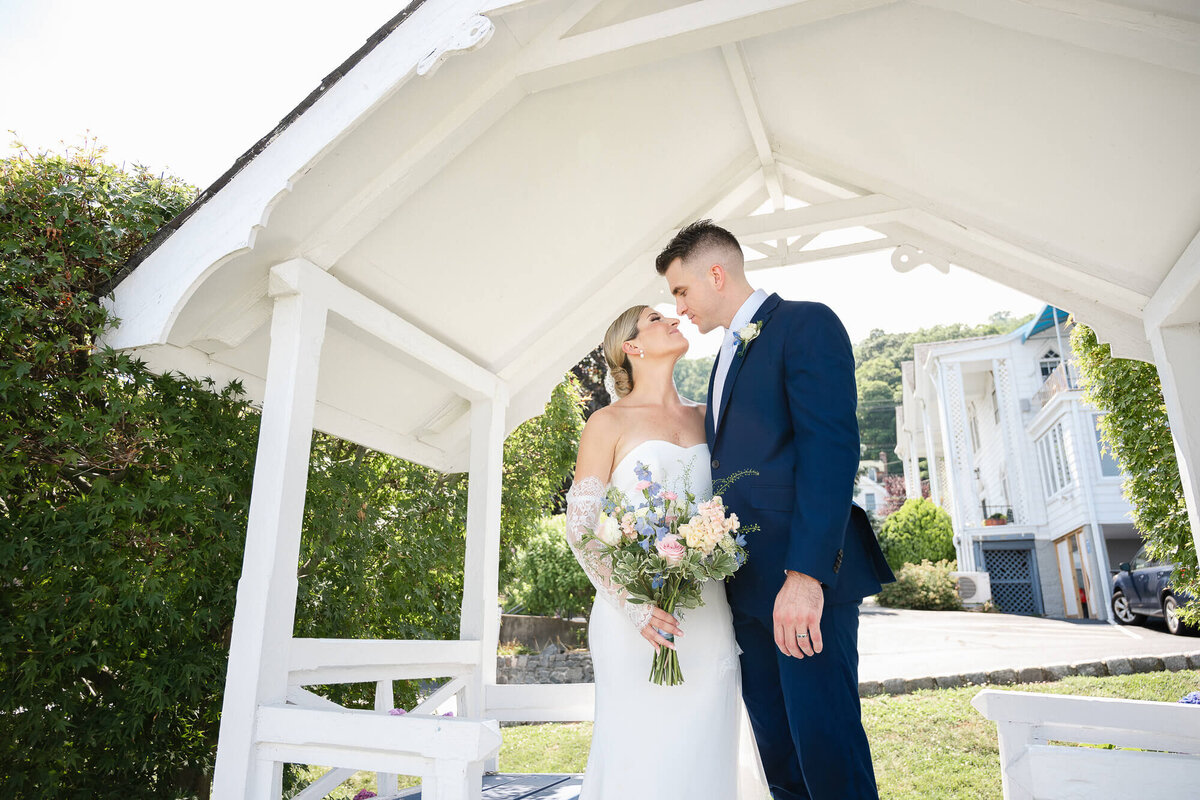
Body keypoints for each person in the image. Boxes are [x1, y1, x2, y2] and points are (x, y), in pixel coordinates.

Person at [656, 220, 895, 800]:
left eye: (682, 291)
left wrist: (806, 576)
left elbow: (830, 451)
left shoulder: (805, 324)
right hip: (746, 591)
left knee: (826, 751)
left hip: (802, 585)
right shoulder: (720, 363)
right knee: (781, 761)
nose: (679, 308)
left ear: (717, 273)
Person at [564, 305, 770, 799]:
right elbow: (580, 527)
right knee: (641, 755)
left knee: (705, 748)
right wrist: (634, 606)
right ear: (630, 348)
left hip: (707, 611)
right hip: (633, 615)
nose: (673, 318)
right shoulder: (607, 422)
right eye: (656, 318)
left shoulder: (709, 417)